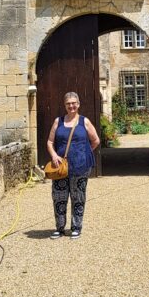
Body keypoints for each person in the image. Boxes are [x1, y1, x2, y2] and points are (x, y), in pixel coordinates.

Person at [47, 91, 100, 238]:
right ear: (65, 105)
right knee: (59, 197)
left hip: (80, 167)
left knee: (78, 197)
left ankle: (76, 227)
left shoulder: (85, 121)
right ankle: (60, 228)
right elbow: (50, 142)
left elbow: (95, 140)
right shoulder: (58, 121)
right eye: (68, 103)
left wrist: (84, 153)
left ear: (78, 104)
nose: (71, 106)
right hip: (60, 167)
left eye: (73, 103)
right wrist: (54, 155)